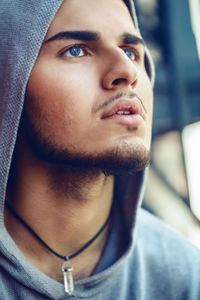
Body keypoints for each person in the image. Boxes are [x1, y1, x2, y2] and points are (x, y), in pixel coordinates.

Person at [0, 0, 200, 299]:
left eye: (131, 51)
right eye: (76, 50)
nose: (127, 71)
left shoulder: (183, 275)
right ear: (9, 80)